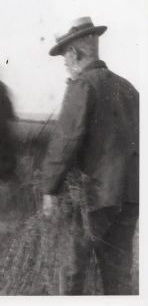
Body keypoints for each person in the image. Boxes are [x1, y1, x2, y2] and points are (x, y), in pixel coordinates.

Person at [40, 16, 139, 295]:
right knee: (118, 276)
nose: (65, 64)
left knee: (72, 272)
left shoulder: (82, 86)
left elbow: (66, 141)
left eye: (64, 57)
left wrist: (49, 189)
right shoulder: (130, 89)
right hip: (130, 196)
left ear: (74, 52)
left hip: (93, 198)